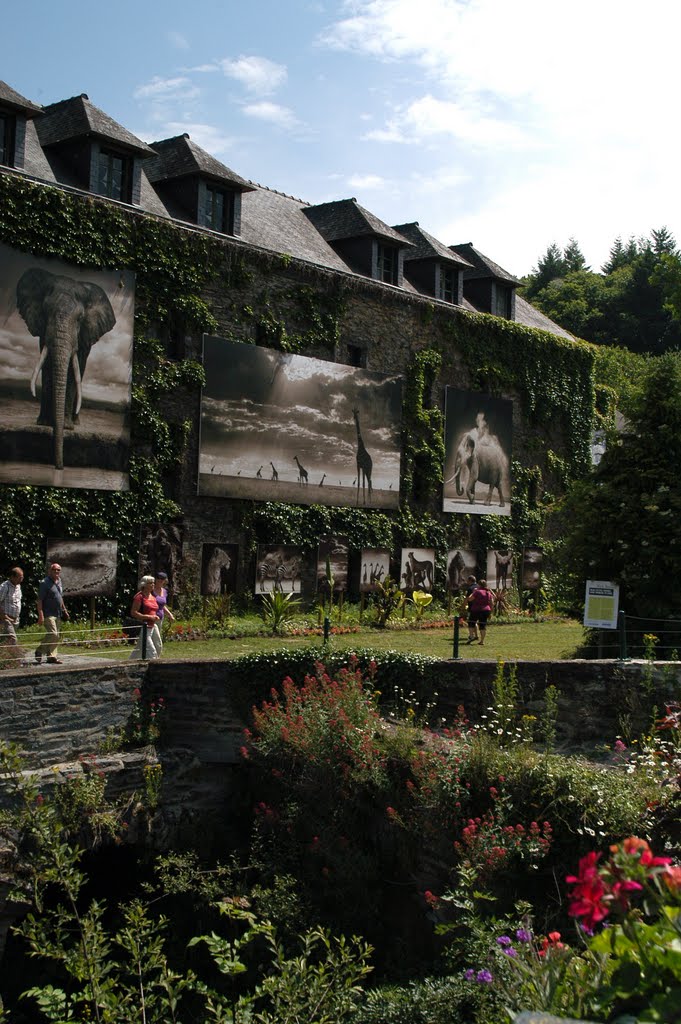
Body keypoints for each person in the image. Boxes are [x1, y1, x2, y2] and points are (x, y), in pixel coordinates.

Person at [36, 563, 69, 665]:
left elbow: (60, 597)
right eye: (54, 570)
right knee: (53, 634)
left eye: (58, 570)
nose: (56, 572)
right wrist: (40, 615)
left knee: (56, 636)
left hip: (58, 613)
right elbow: (40, 600)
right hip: (48, 613)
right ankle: (40, 650)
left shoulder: (59, 582)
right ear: (50, 571)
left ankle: (52, 656)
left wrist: (65, 610)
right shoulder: (44, 583)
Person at [128, 575, 161, 661]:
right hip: (144, 627)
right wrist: (149, 617)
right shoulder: (139, 597)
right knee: (151, 650)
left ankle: (130, 662)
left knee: (158, 646)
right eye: (150, 583)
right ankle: (154, 665)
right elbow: (133, 612)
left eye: (153, 583)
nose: (153, 585)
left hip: (153, 626)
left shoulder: (153, 596)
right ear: (144, 585)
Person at [466, 578, 495, 646]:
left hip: (476, 610)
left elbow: (470, 599)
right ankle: (482, 641)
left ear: (479, 585)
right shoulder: (488, 592)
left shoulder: (477, 591)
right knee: (482, 625)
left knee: (471, 622)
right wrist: (491, 612)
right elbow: (492, 603)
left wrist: (473, 592)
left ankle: (471, 636)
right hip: (486, 610)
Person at [0, 567, 24, 647]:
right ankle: (16, 658)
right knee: (13, 640)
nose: (22, 579)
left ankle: (6, 658)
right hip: (6, 619)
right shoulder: (5, 586)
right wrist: (4, 616)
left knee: (5, 641)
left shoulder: (18, 586)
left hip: (15, 619)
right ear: (13, 577)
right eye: (20, 577)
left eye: (22, 577)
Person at [152, 572, 175, 653]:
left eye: (162, 579)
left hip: (160, 619)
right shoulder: (151, 590)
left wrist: (170, 614)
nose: (160, 581)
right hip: (152, 618)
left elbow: (163, 606)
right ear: (156, 580)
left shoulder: (164, 591)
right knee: (155, 639)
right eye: (159, 579)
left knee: (155, 638)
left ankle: (154, 655)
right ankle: (154, 655)